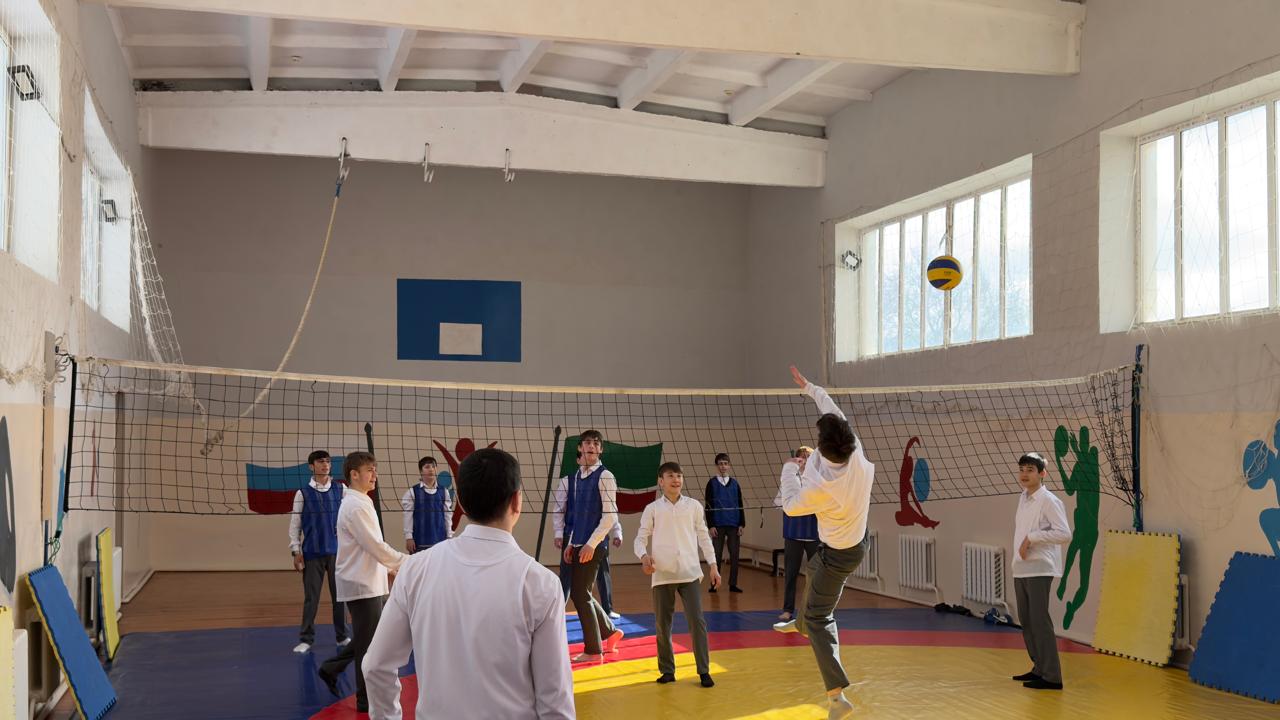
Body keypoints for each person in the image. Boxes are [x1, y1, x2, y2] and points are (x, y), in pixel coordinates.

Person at [362, 448, 575, 719]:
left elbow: (376, 666)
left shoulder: (415, 569)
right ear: (517, 501)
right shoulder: (541, 584)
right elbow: (555, 699)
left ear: (460, 501)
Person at [774, 366, 875, 720]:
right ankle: (799, 621)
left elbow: (790, 505)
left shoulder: (821, 488)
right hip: (847, 541)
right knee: (812, 567)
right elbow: (832, 410)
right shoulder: (854, 449)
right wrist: (810, 388)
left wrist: (790, 468)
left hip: (841, 555)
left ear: (821, 448)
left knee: (820, 617)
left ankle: (837, 697)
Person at [317, 452, 407, 714]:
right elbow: (375, 546)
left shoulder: (362, 501)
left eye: (375, 469)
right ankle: (364, 699)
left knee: (370, 636)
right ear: (354, 474)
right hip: (361, 584)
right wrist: (408, 563)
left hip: (371, 581)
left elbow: (373, 548)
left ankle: (331, 668)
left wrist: (390, 569)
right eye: (370, 470)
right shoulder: (355, 506)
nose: (374, 474)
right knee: (369, 645)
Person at [635, 461, 720, 687]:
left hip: (689, 573)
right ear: (661, 481)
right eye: (671, 476)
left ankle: (704, 671)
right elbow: (640, 538)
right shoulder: (652, 509)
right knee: (663, 625)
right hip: (662, 574)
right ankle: (667, 670)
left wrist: (713, 565)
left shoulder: (693, 506)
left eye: (679, 476)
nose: (676, 480)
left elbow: (704, 537)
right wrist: (643, 556)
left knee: (697, 622)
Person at [1011, 451, 1073, 691]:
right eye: (1022, 470)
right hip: (1021, 568)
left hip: (1039, 567)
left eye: (1030, 470)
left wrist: (1032, 538)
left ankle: (1052, 676)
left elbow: (1064, 534)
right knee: (1027, 621)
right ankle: (1039, 668)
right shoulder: (1023, 497)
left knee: (1039, 621)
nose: (1024, 474)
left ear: (1042, 473)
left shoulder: (1049, 500)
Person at [562, 430, 623, 663]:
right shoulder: (578, 477)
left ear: (600, 450)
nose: (592, 446)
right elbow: (576, 516)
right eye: (587, 443)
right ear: (580, 448)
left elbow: (610, 516)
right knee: (581, 593)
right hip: (579, 542)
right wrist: (571, 543)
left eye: (596, 444)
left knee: (579, 594)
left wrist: (590, 544)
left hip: (594, 544)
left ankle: (593, 650)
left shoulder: (605, 476)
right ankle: (610, 631)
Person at [288, 450, 348, 653]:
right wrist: (295, 550)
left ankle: (342, 636)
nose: (325, 465)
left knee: (340, 597)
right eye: (321, 461)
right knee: (311, 598)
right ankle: (306, 639)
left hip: (337, 552)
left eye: (328, 461)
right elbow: (295, 524)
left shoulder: (341, 489)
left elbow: (351, 517)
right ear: (311, 466)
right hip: (312, 553)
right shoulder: (302, 493)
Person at [554, 457, 624, 619]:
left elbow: (609, 511)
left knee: (603, 573)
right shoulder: (568, 481)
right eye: (584, 454)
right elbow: (559, 509)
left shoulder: (603, 477)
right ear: (577, 459)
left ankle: (607, 610)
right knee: (567, 576)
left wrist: (617, 531)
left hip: (597, 535)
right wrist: (558, 533)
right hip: (573, 535)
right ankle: (558, 611)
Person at [773, 446, 819, 621]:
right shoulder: (789, 480)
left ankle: (814, 610)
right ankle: (788, 610)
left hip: (814, 534)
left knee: (816, 575)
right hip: (793, 533)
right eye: (802, 457)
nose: (805, 460)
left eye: (808, 457)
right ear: (797, 460)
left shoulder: (817, 481)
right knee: (791, 574)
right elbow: (779, 504)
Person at [705, 453, 745, 593]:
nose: (723, 466)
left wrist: (742, 524)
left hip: (734, 524)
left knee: (735, 555)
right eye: (720, 463)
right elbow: (708, 506)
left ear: (729, 465)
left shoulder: (735, 483)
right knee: (716, 555)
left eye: (725, 463)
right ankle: (714, 584)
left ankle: (733, 584)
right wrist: (711, 525)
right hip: (718, 524)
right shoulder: (711, 483)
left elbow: (740, 504)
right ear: (717, 466)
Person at [401, 456, 453, 553]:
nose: (431, 469)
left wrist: (449, 535)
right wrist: (409, 537)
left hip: (440, 540)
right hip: (420, 541)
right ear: (421, 471)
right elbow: (408, 516)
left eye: (433, 466)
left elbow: (447, 515)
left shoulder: (444, 491)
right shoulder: (413, 492)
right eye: (427, 467)